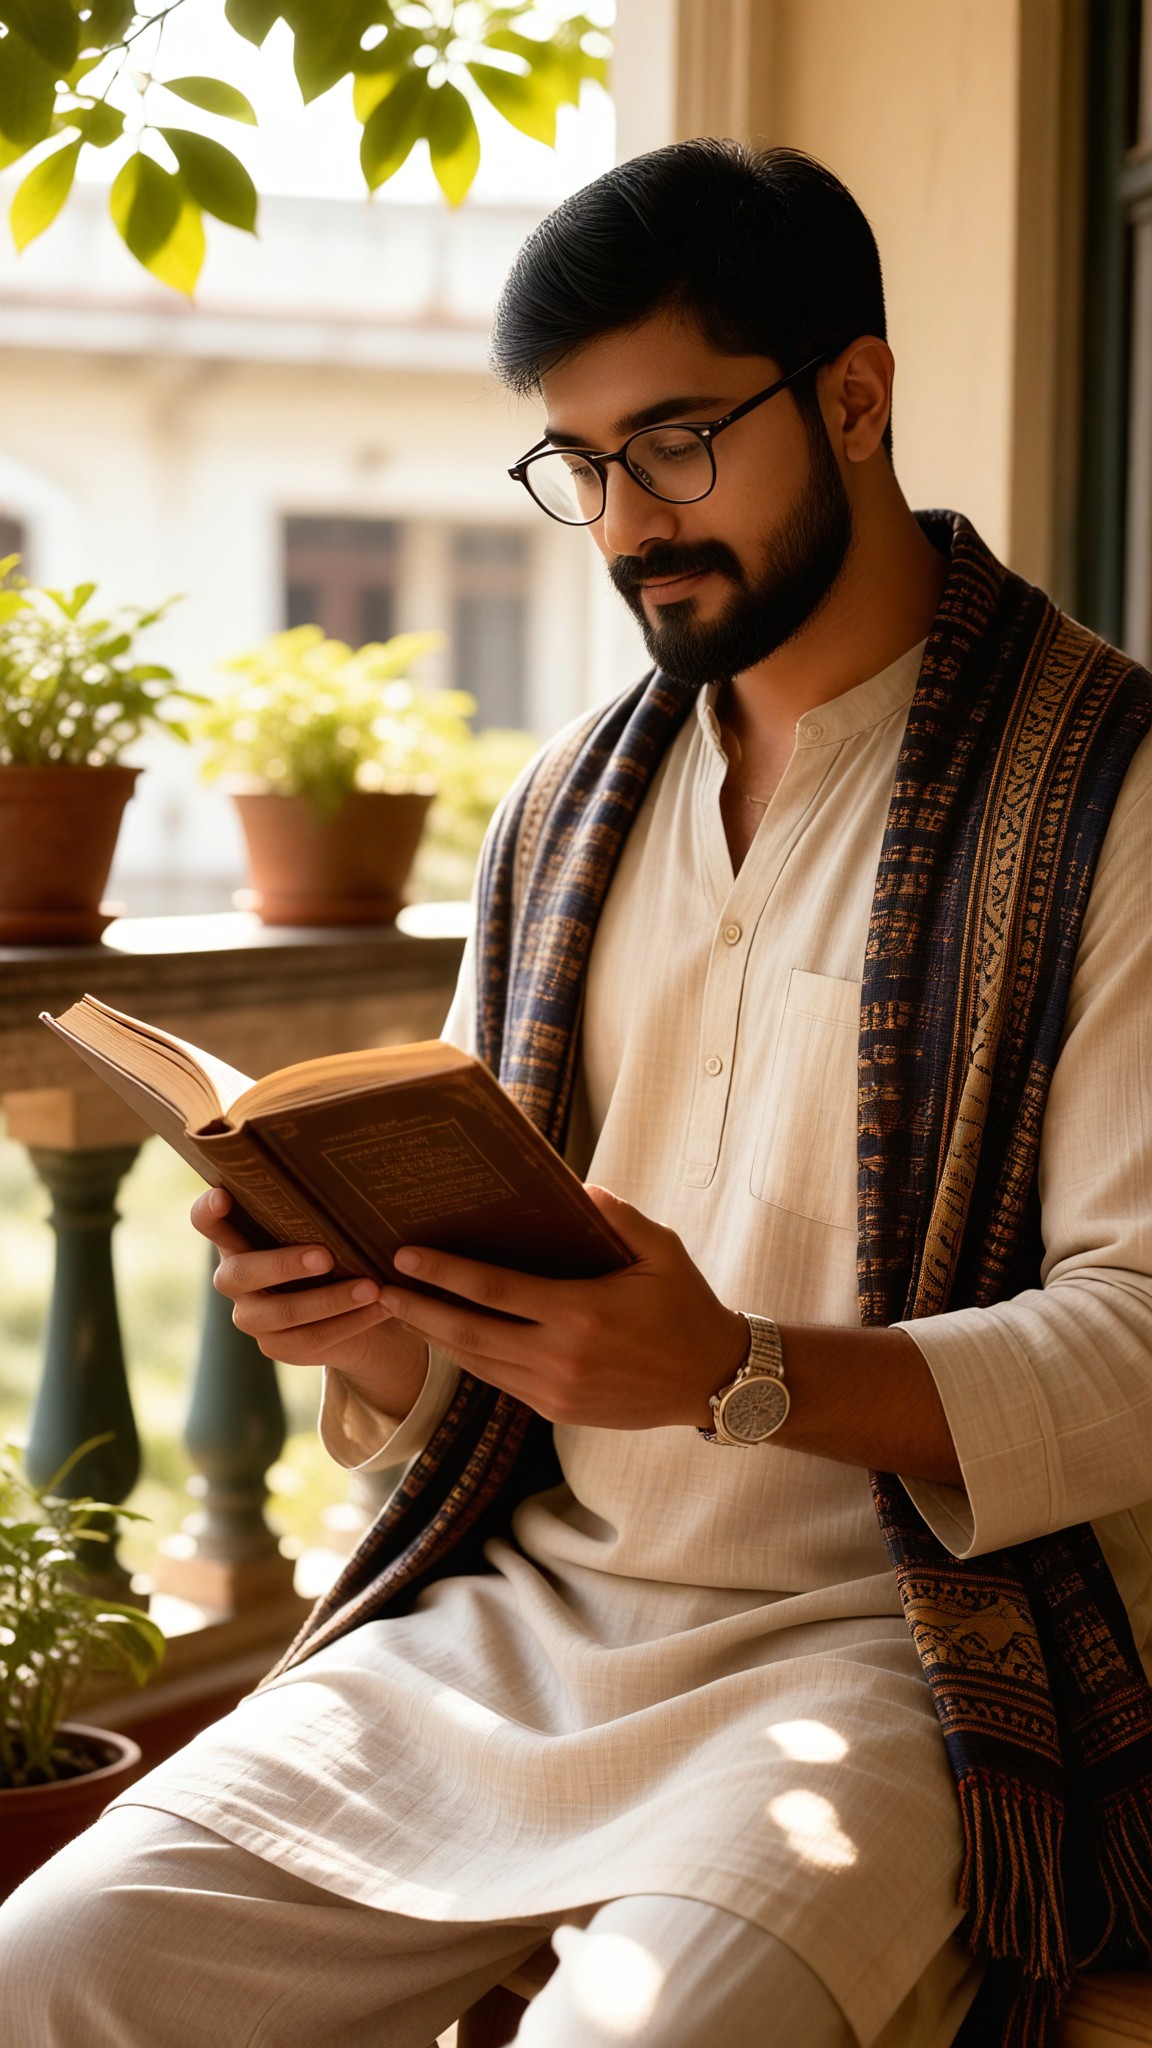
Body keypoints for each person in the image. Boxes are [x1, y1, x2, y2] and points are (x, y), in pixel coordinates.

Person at [3, 139, 1152, 2048]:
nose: (626, 521)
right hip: (519, 1620)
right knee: (49, 1976)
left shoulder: (1108, 795)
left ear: (855, 397)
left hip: (889, 1664)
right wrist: (366, 1329)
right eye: (579, 464)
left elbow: (1139, 1343)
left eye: (677, 440)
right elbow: (492, 1366)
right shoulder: (559, 815)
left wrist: (738, 1374)